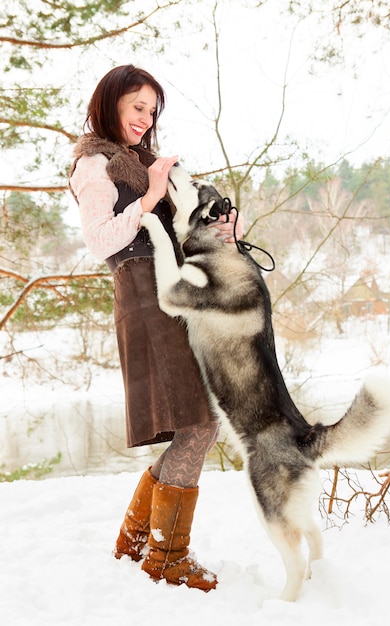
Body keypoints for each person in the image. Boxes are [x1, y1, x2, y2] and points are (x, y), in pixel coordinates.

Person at [69, 64, 243, 592]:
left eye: (151, 110)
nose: (145, 118)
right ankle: (166, 558)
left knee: (197, 420)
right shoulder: (93, 163)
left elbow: (177, 233)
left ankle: (136, 538)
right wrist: (150, 196)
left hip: (172, 294)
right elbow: (101, 240)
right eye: (137, 107)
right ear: (111, 103)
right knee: (198, 423)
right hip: (144, 296)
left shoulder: (145, 162)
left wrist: (219, 231)